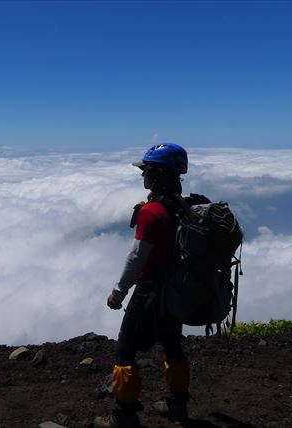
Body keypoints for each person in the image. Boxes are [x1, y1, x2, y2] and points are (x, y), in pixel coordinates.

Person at [94, 143, 190, 428]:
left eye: (146, 171)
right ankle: (177, 406)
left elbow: (137, 257)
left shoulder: (153, 212)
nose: (142, 176)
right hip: (175, 290)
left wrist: (118, 292)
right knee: (172, 345)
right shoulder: (181, 206)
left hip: (149, 292)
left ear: (158, 174)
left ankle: (123, 417)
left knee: (125, 352)